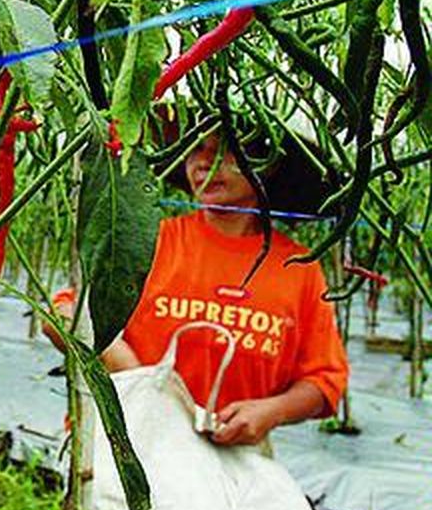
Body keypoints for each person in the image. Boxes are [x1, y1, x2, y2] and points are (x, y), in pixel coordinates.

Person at [51, 129, 349, 447]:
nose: (204, 162)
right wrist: (133, 372)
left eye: (225, 149)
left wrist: (270, 411)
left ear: (268, 163)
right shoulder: (151, 243)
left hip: (228, 457)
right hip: (127, 441)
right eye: (196, 148)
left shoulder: (298, 269)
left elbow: (325, 382)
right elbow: (61, 311)